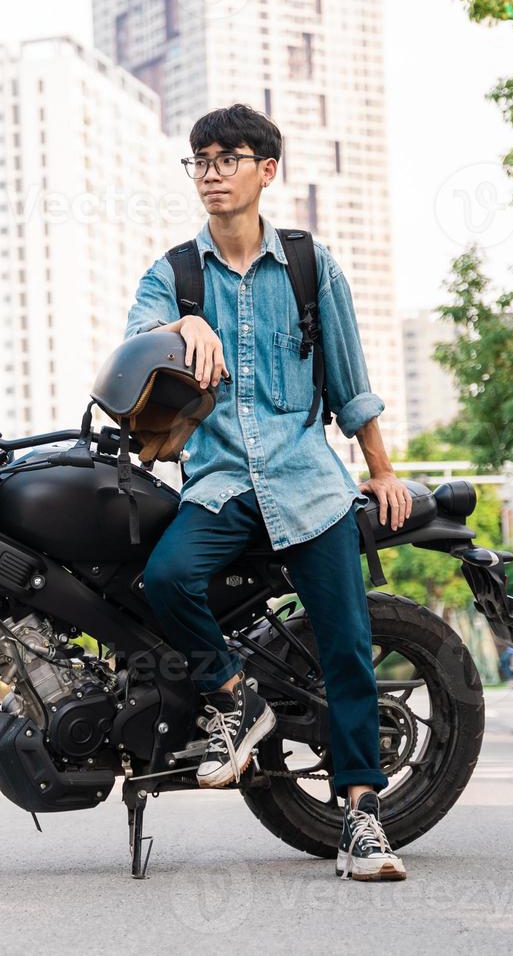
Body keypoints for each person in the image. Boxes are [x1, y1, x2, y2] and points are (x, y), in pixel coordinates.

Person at [125, 104, 411, 882]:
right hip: (218, 483)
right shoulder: (175, 271)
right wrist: (183, 325)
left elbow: (351, 385)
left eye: (228, 157)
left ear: (266, 170)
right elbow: (135, 336)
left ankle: (361, 818)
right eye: (200, 160)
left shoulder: (312, 266)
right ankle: (233, 695)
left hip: (308, 482)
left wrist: (380, 470)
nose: (212, 172)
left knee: (347, 646)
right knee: (165, 579)